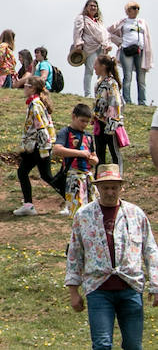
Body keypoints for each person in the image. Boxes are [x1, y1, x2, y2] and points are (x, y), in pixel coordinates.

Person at [65, 164, 158, 350]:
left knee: (133, 345)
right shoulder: (84, 215)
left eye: (114, 187)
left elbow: (150, 250)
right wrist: (73, 291)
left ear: (121, 188)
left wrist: (155, 286)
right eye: (105, 187)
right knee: (102, 344)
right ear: (97, 188)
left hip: (131, 287)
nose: (109, 192)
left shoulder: (136, 214)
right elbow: (75, 253)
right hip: (98, 289)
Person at [14, 75, 61, 216]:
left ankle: (29, 205)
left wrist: (43, 149)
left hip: (38, 146)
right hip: (41, 145)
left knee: (23, 172)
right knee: (46, 175)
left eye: (26, 86)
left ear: (33, 88)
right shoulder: (37, 103)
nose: (24, 88)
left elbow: (41, 127)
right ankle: (70, 200)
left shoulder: (35, 105)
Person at [56, 103, 100, 217]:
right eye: (82, 121)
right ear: (73, 117)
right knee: (78, 212)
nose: (84, 124)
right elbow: (57, 150)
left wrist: (93, 160)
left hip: (88, 177)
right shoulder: (65, 132)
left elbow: (95, 156)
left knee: (95, 208)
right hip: (73, 176)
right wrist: (80, 153)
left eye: (87, 122)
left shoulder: (88, 136)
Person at [109, 2, 151, 108]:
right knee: (127, 76)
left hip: (140, 51)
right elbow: (109, 31)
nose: (136, 10)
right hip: (126, 50)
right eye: (134, 8)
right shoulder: (123, 22)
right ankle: (127, 100)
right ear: (128, 10)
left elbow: (147, 37)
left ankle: (142, 101)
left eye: (138, 8)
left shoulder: (142, 22)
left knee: (141, 78)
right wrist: (120, 41)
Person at [93, 54, 127, 171]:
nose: (94, 67)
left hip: (111, 124)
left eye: (96, 64)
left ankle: (119, 176)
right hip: (100, 123)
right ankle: (99, 177)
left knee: (114, 153)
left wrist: (112, 124)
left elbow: (116, 103)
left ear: (103, 66)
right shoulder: (100, 82)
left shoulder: (111, 83)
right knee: (99, 154)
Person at [76, 0, 111, 98]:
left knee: (102, 71)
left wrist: (107, 44)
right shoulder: (82, 19)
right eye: (91, 5)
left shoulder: (99, 22)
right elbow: (77, 32)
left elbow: (105, 35)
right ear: (86, 7)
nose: (93, 8)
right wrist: (78, 44)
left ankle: (100, 93)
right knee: (90, 69)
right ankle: (87, 94)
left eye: (95, 6)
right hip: (90, 47)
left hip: (101, 48)